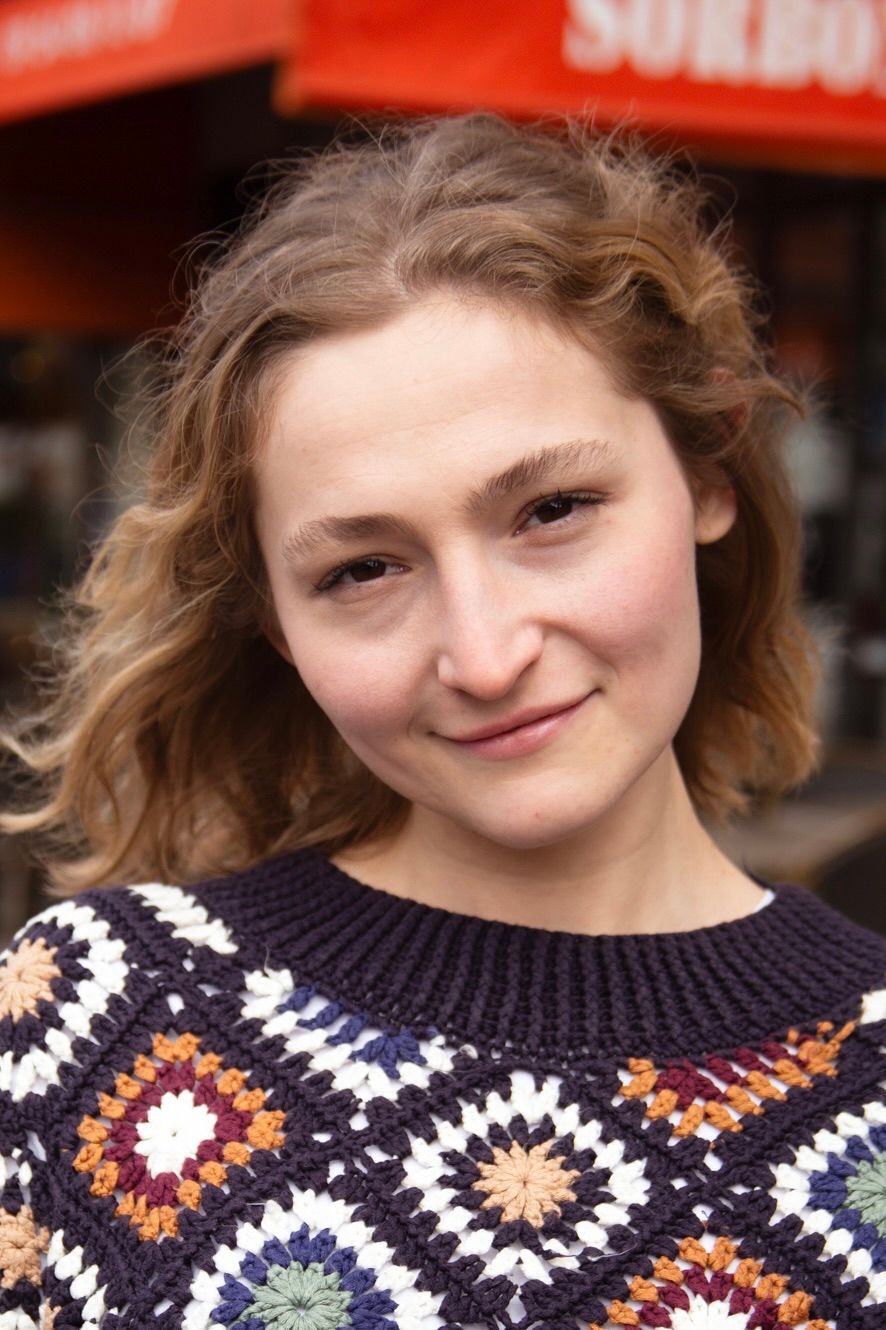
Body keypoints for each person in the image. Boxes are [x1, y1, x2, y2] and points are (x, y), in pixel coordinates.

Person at [0, 114, 884, 1330]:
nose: (484, 654)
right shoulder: (97, 1021)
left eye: (552, 509)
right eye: (362, 570)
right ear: (275, 624)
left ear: (709, 472)